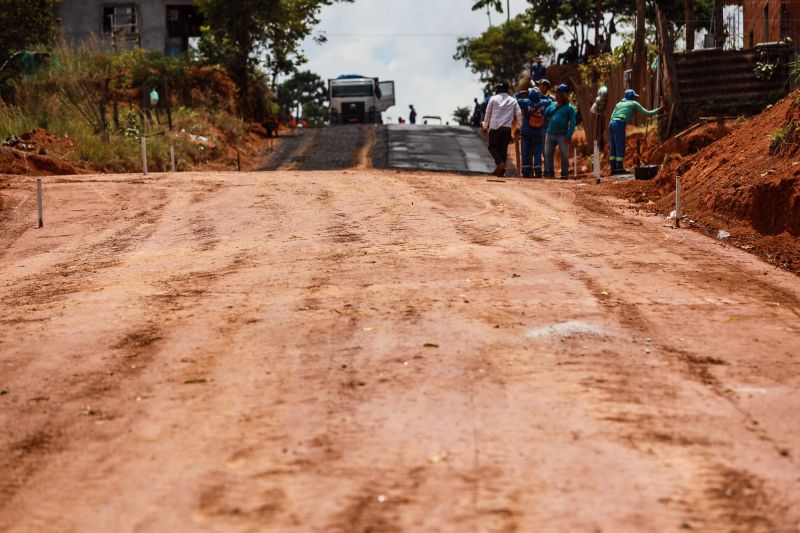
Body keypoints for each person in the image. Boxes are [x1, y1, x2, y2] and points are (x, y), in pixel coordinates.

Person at [608, 89, 663, 175]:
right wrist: (659, 109)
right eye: (634, 97)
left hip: (611, 123)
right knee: (620, 145)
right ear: (632, 97)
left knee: (613, 145)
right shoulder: (633, 103)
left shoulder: (618, 104)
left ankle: (613, 168)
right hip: (620, 123)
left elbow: (612, 116)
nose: (635, 98)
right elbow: (647, 113)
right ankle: (619, 168)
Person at [482, 81, 522, 177]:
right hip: (506, 129)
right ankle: (501, 172)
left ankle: (500, 163)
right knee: (503, 149)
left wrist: (485, 126)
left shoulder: (493, 99)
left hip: (495, 128)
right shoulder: (513, 100)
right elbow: (519, 113)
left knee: (492, 147)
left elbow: (488, 113)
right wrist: (518, 127)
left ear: (498, 89)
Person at [543, 84, 577, 179]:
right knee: (548, 154)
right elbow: (545, 114)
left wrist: (569, 135)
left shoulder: (570, 108)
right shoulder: (552, 105)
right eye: (556, 93)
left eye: (559, 94)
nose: (557, 95)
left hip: (562, 135)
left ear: (564, 95)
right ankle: (550, 173)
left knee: (564, 155)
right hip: (550, 134)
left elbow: (573, 123)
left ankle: (564, 174)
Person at [514, 87, 550, 178]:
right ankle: (537, 171)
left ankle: (526, 171)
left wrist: (520, 93)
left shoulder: (526, 102)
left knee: (525, 151)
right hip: (538, 132)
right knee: (538, 152)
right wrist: (540, 95)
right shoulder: (543, 102)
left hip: (526, 131)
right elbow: (550, 100)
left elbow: (514, 99)